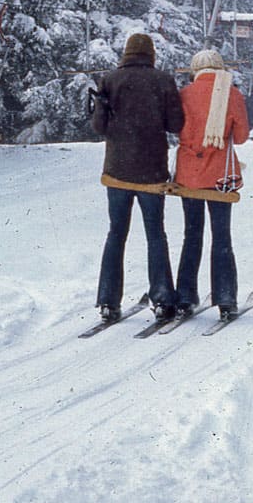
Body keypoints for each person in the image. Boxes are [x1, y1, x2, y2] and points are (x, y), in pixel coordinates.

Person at [91, 32, 184, 323]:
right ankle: (163, 298)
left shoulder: (109, 80)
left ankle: (108, 301)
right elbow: (175, 124)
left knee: (116, 233)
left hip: (117, 171)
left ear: (126, 53)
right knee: (155, 234)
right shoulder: (163, 80)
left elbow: (99, 127)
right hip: (152, 172)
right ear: (151, 54)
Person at [174, 48, 250, 322]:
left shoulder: (184, 94)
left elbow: (176, 128)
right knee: (222, 237)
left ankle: (184, 297)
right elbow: (240, 137)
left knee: (191, 235)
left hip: (188, 175)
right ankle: (226, 299)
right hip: (220, 176)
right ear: (220, 68)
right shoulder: (232, 94)